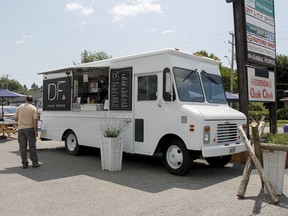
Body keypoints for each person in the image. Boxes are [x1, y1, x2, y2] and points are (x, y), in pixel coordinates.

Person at [14, 95, 40, 169]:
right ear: (32, 101)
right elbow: (35, 119)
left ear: (26, 100)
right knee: (32, 146)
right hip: (30, 129)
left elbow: (15, 119)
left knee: (22, 147)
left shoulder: (19, 107)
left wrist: (21, 119)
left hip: (20, 129)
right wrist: (36, 130)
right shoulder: (33, 108)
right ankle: (34, 163)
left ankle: (24, 163)